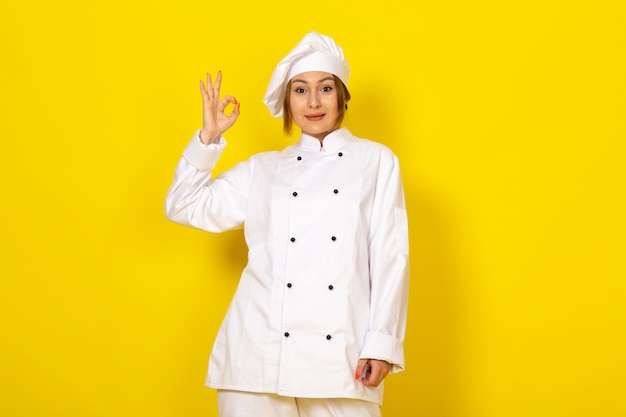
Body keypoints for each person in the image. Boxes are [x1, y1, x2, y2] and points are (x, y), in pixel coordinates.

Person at [165, 31, 409, 417]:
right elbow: (183, 205)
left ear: (342, 96)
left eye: (325, 88)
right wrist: (208, 139)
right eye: (300, 90)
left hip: (340, 357)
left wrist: (381, 344)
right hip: (256, 357)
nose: (313, 102)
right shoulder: (264, 169)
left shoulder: (376, 162)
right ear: (287, 102)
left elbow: (389, 257)